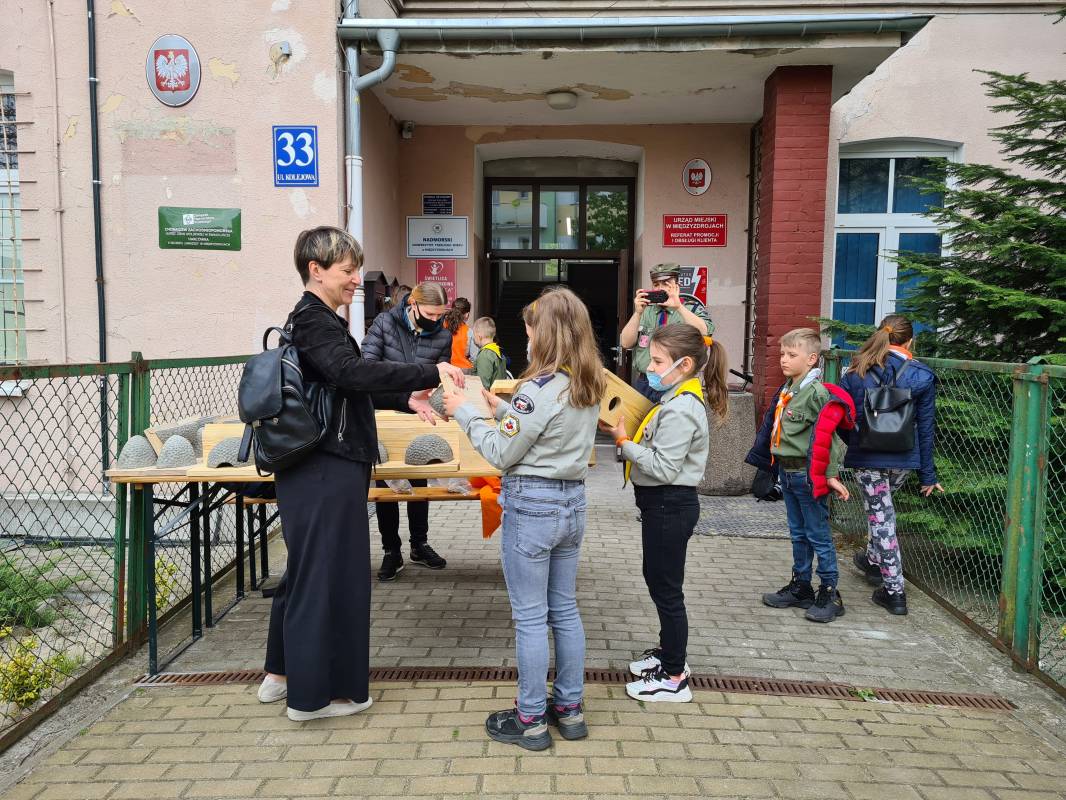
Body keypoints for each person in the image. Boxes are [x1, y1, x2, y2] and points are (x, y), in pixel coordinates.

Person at [258, 226, 465, 721]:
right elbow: (351, 375)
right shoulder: (316, 320)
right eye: (348, 271)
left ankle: (281, 676)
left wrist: (406, 397)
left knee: (307, 570)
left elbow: (344, 385)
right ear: (316, 269)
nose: (356, 280)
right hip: (325, 463)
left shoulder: (316, 319)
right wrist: (427, 374)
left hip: (317, 463)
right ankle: (314, 698)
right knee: (329, 574)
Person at [442, 287, 604, 751]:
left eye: (531, 329)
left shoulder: (536, 389)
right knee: (565, 610)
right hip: (572, 504)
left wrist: (467, 413)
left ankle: (531, 719)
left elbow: (499, 452)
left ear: (544, 334)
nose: (527, 337)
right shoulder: (587, 381)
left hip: (533, 507)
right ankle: (569, 711)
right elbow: (552, 432)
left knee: (531, 619)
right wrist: (506, 410)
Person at [601, 325, 728, 703]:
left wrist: (623, 442)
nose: (651, 368)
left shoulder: (682, 408)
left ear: (684, 364)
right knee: (658, 580)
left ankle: (674, 676)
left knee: (667, 590)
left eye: (657, 362)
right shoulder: (673, 398)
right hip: (662, 505)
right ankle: (668, 654)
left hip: (669, 504)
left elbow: (664, 467)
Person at [746, 328, 855, 624]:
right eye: (782, 353)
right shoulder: (789, 389)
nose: (783, 359)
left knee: (818, 535)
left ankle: (830, 591)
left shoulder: (816, 393)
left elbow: (828, 438)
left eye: (791, 355)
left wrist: (830, 475)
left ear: (811, 359)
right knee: (798, 534)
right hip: (788, 473)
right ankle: (801, 586)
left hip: (808, 476)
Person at [839, 314, 943, 616]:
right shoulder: (922, 376)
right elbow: (925, 427)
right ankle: (873, 561)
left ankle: (895, 592)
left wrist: (855, 443)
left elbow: (845, 419)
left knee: (881, 518)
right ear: (910, 341)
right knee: (881, 514)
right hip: (903, 459)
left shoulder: (857, 372)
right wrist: (927, 473)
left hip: (869, 460)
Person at [361, 282, 453, 581]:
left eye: (440, 315)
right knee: (387, 481)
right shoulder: (385, 323)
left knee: (418, 478)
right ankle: (391, 549)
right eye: (430, 313)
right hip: (385, 412)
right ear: (412, 303)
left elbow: (441, 378)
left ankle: (419, 544)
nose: (436, 320)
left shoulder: (443, 335)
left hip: (420, 416)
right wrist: (403, 393)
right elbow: (367, 369)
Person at [620, 263, 715, 402]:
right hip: (646, 382)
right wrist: (637, 313)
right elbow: (625, 342)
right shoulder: (646, 310)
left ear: (677, 285)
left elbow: (705, 332)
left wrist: (679, 307)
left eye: (666, 283)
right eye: (656, 284)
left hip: (675, 382)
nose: (660, 288)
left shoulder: (689, 307)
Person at [471, 316, 507, 390]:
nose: (473, 338)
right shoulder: (498, 351)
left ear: (479, 336)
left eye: (474, 335)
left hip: (487, 399)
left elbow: (483, 386)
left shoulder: (484, 355)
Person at [445, 297, 475, 370]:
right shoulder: (469, 332)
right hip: (464, 370)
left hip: (446, 369)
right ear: (467, 314)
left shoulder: (442, 326)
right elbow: (474, 357)